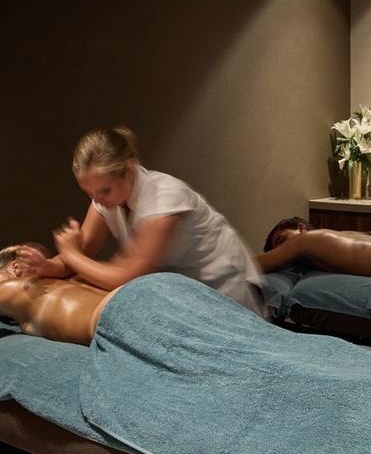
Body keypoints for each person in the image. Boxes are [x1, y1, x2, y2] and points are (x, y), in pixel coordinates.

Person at [15, 127, 265, 315]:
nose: (97, 200)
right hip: (183, 295)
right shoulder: (105, 200)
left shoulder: (164, 197)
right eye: (89, 193)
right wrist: (47, 266)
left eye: (104, 191)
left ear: (129, 170)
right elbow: (83, 254)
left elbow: (126, 276)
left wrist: (70, 255)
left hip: (224, 290)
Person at [258, 217, 371, 278]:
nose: (283, 248)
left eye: (282, 240)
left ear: (301, 229)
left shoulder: (305, 239)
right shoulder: (338, 237)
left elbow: (253, 265)